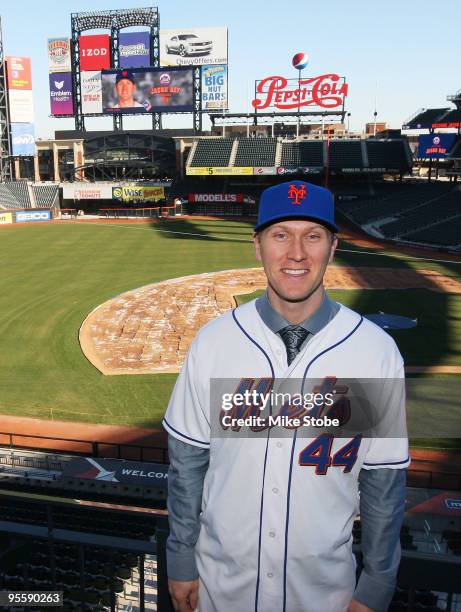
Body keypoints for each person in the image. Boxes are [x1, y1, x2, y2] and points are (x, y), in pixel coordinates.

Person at [163, 180, 409, 612]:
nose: (296, 253)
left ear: (332, 247)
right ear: (258, 246)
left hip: (324, 594)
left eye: (312, 236)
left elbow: (382, 485)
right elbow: (187, 465)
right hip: (220, 588)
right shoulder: (216, 342)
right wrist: (181, 557)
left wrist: (376, 584)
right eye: (281, 235)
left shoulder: (373, 351)